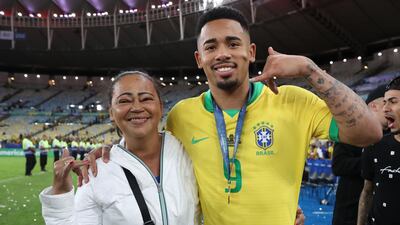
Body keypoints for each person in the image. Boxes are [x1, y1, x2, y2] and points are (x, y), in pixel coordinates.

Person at [84, 6, 381, 225]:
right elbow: (149, 153)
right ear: (200, 59)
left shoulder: (293, 101)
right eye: (211, 46)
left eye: (233, 43)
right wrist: (110, 153)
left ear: (251, 52)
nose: (222, 53)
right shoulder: (182, 116)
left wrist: (309, 69)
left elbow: (370, 132)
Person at [39, 71, 199, 225]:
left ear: (161, 107)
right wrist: (60, 194)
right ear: (111, 112)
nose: (136, 107)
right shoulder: (96, 172)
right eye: (124, 101)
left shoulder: (190, 153)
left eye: (146, 98)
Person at [332, 85, 387, 225]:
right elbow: (339, 165)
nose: (390, 109)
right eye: (387, 103)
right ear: (373, 106)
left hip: (378, 214)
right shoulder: (350, 128)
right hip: (349, 212)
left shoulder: (392, 136)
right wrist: (374, 162)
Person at [357, 77, 400, 225]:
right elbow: (367, 192)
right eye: (385, 102)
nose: (385, 108)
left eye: (393, 102)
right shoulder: (375, 145)